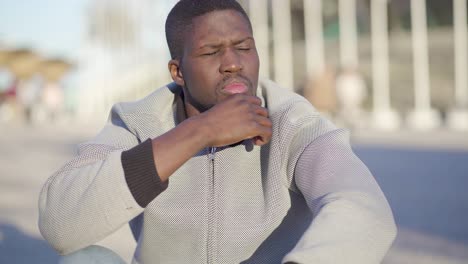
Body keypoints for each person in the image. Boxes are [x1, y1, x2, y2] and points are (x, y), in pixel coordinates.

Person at [39, 1, 396, 263]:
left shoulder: (292, 122)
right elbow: (60, 223)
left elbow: (363, 208)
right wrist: (199, 132)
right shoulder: (137, 123)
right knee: (86, 260)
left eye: (244, 47)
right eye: (212, 52)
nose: (233, 63)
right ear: (177, 72)